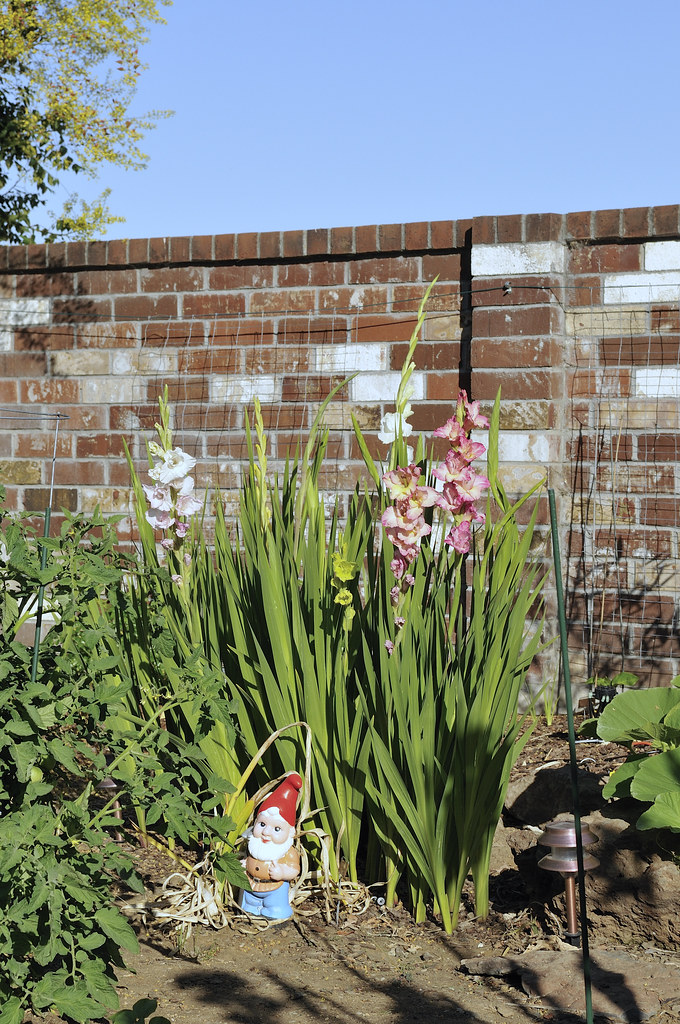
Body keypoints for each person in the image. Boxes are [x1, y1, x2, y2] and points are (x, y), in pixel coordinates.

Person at [240, 772, 302, 920]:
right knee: (248, 907)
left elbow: (295, 870)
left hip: (274, 889)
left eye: (276, 829)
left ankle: (275, 912)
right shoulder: (254, 844)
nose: (266, 832)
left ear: (290, 832)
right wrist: (245, 864)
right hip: (250, 886)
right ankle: (251, 910)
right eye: (262, 824)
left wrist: (282, 873)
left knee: (275, 908)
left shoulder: (288, 852)